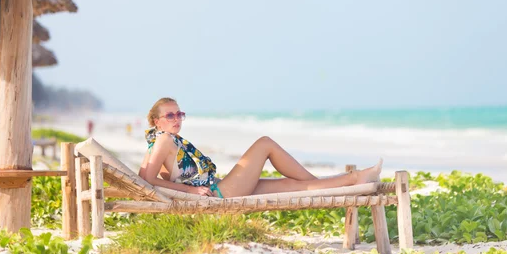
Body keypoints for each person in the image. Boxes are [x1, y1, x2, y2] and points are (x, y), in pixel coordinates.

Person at [139, 98, 383, 199]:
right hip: (219, 194)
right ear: (156, 121)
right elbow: (146, 179)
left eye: (179, 113)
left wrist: (184, 189)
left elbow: (153, 175)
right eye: (169, 115)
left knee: (291, 186)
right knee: (264, 143)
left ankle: (350, 180)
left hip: (218, 187)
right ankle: (347, 180)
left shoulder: (163, 141)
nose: (176, 119)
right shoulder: (163, 140)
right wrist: (190, 192)